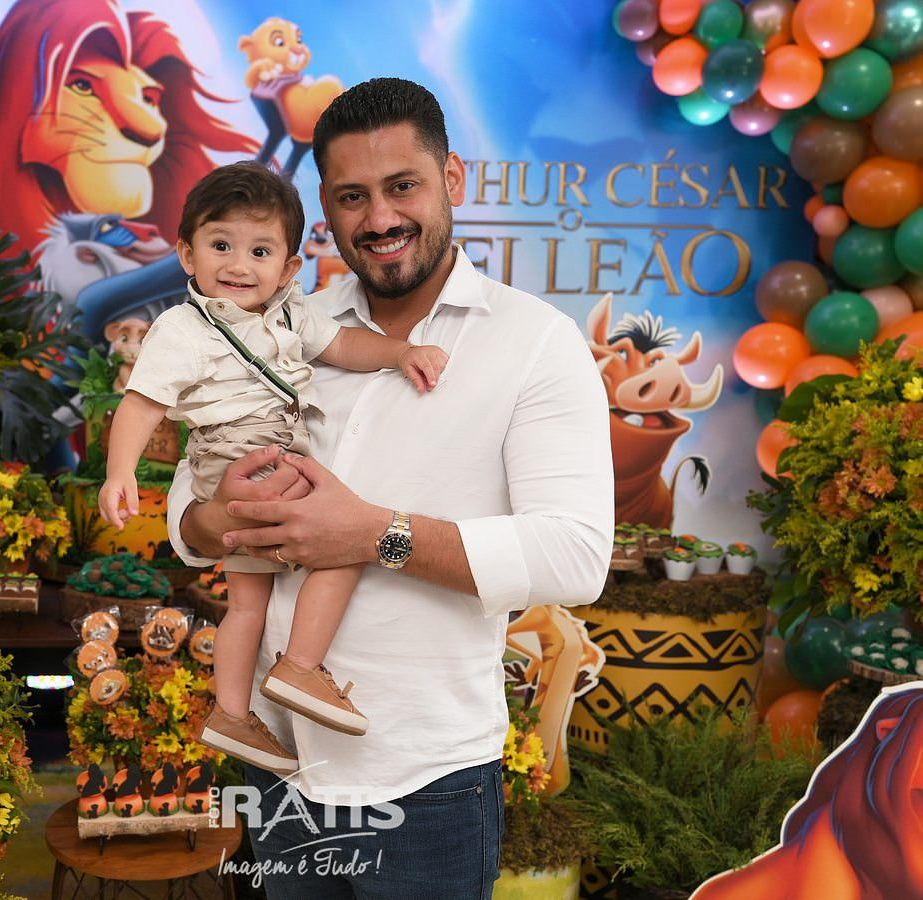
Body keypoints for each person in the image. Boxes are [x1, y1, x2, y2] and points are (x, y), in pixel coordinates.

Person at [166, 78, 614, 899]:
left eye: (402, 186)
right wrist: (223, 517)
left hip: (427, 776)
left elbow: (575, 556)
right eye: (352, 197)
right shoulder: (278, 323)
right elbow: (186, 512)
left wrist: (377, 534)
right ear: (326, 209)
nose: (378, 218)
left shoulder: (535, 344)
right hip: (281, 764)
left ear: (453, 179)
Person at [98, 161, 448, 776]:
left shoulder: (291, 312)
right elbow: (142, 404)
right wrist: (119, 471)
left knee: (246, 603)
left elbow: (344, 345)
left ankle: (231, 712)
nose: (239, 265)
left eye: (259, 251)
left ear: (288, 268)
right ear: (186, 254)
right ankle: (301, 668)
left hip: (268, 454)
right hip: (237, 452)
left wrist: (400, 353)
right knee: (349, 540)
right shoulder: (182, 329)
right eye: (221, 246)